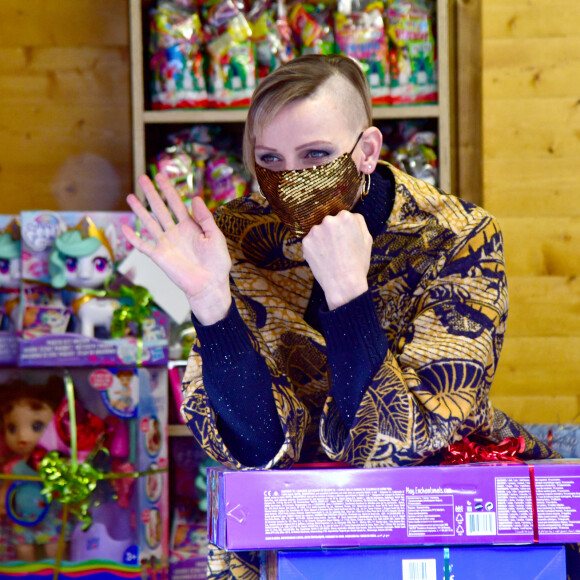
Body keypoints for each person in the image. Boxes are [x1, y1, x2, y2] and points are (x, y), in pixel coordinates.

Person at [122, 54, 557, 578]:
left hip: (441, 509)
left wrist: (348, 294)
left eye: (317, 154)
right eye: (271, 160)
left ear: (367, 151)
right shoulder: (233, 238)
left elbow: (403, 448)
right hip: (288, 523)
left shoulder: (457, 237)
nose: (292, 180)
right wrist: (211, 304)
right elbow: (256, 448)